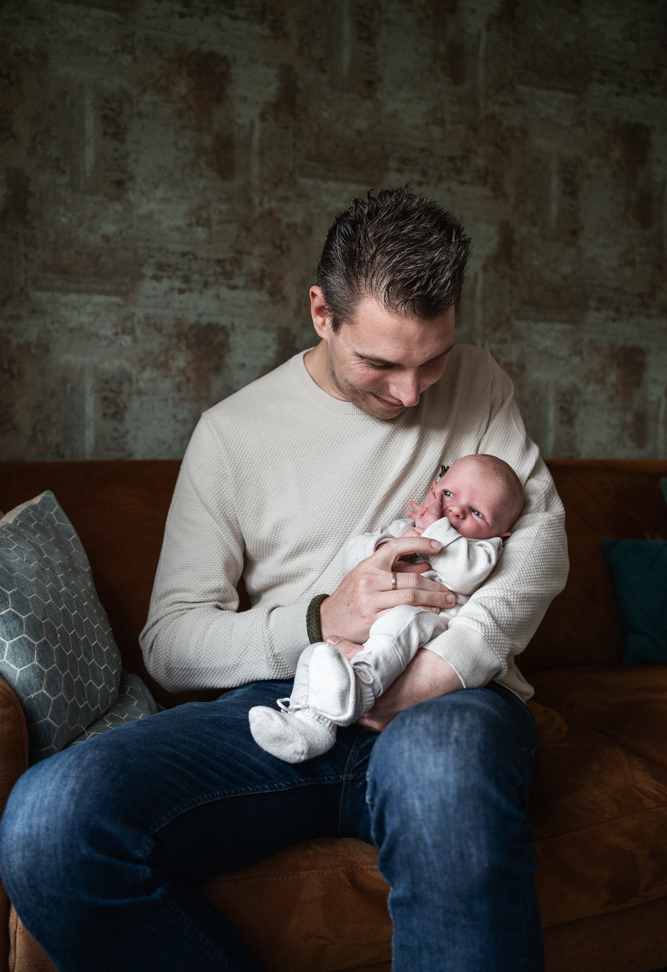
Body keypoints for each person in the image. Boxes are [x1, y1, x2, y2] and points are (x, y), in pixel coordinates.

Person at [0, 189, 568, 972]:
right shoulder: (231, 435)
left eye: (429, 358)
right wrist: (318, 621)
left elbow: (539, 544)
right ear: (320, 313)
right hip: (290, 703)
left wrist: (430, 677)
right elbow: (169, 643)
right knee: (47, 821)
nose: (410, 394)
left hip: (450, 705)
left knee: (440, 765)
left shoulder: (478, 381)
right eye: (380, 362)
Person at [248, 454, 525, 763]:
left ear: (500, 533)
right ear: (434, 490)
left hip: (426, 627)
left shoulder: (482, 549)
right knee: (319, 654)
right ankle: (309, 725)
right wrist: (386, 548)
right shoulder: (405, 526)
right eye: (448, 495)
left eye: (476, 512)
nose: (456, 510)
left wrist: (435, 531)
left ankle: (362, 691)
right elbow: (355, 558)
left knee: (404, 619)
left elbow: (463, 576)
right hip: (368, 638)